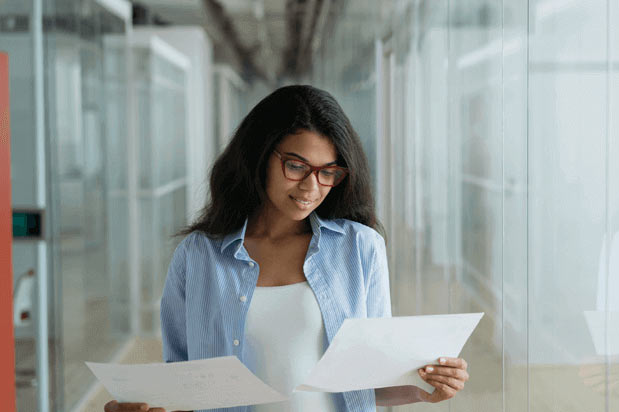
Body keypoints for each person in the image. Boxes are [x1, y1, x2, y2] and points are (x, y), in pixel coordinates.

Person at [104, 85, 469, 412]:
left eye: (328, 172)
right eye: (296, 166)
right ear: (260, 155)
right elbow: (182, 381)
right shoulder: (198, 256)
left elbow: (369, 380)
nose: (312, 187)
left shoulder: (361, 249)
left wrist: (426, 388)